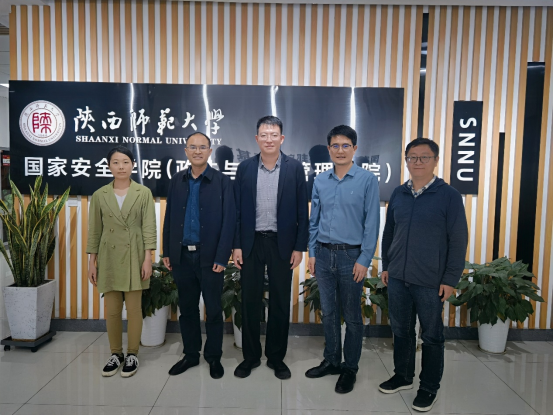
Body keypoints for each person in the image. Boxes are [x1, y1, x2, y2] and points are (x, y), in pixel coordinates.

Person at [378, 138, 468, 412]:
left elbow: (458, 239)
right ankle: (403, 376)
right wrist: (386, 265)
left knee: (431, 336)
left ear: (435, 161)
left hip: (431, 280)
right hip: (398, 277)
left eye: (424, 157)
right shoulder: (398, 193)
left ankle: (429, 387)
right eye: (412, 157)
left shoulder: (449, 195)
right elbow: (389, 232)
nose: (417, 162)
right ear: (406, 160)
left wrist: (450, 279)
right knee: (401, 331)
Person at [232, 115, 309, 379]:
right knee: (250, 301)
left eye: (273, 135)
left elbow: (302, 212)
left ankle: (276, 357)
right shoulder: (245, 168)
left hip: (282, 243)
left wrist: (299, 247)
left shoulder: (294, 168)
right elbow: (236, 210)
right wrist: (236, 245)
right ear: (257, 139)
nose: (269, 139)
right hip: (251, 242)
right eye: (264, 135)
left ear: (282, 138)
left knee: (280, 301)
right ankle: (251, 357)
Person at [306, 125, 380, 394]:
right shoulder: (320, 181)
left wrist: (364, 258)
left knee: (352, 315)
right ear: (329, 149)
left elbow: (372, 223)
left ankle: (350, 367)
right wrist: (312, 253)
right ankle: (332, 360)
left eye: (345, 145)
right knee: (328, 312)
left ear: (355, 149)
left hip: (352, 256)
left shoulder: (367, 180)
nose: (340, 150)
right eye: (335, 146)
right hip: (324, 254)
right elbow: (314, 221)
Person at [163, 132, 235, 379]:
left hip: (210, 257)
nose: (197, 151)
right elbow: (169, 218)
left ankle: (213, 357)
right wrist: (168, 251)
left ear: (209, 151)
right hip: (182, 256)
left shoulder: (222, 182)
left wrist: (222, 256)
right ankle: (191, 354)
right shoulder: (177, 180)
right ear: (185, 151)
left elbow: (229, 222)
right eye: (192, 147)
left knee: (213, 309)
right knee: (187, 309)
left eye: (202, 147)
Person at [87, 146, 157, 378]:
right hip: (108, 256)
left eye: (125, 162)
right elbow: (94, 230)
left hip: (135, 254)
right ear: (109, 166)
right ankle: (115, 354)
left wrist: (148, 258)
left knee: (135, 309)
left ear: (133, 165)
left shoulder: (143, 192)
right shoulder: (100, 195)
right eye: (116, 162)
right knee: (113, 310)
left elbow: (149, 227)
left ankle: (133, 354)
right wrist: (91, 262)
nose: (121, 167)